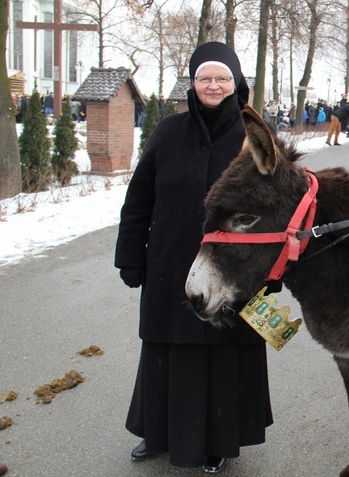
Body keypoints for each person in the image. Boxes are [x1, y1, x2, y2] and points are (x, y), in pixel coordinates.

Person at [114, 42, 273, 474]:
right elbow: (139, 197)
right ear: (193, 82)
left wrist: (272, 270)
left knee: (221, 353)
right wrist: (131, 254)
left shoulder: (252, 136)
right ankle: (158, 431)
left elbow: (279, 207)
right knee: (166, 349)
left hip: (232, 270)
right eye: (205, 77)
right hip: (169, 261)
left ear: (236, 83)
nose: (213, 85)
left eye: (222, 77)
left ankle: (218, 438)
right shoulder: (169, 131)